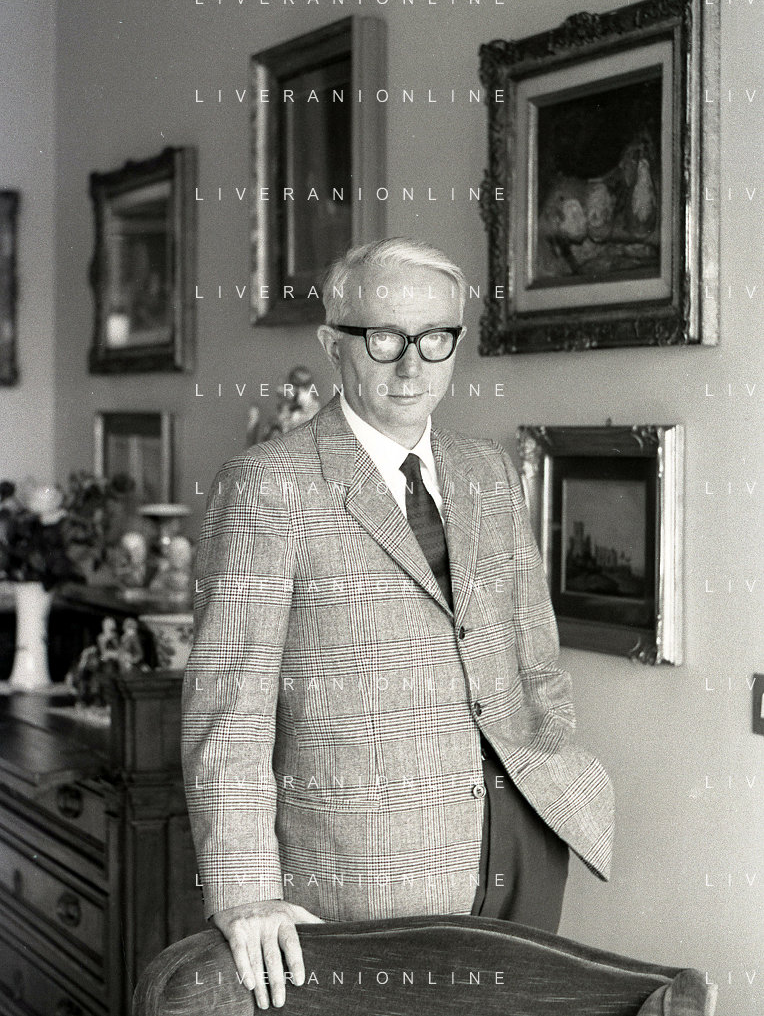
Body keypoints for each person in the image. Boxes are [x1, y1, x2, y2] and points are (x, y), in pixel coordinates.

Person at [182, 238, 614, 1010]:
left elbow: (535, 656)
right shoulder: (266, 485)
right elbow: (229, 709)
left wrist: (548, 754)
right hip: (362, 866)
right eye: (384, 337)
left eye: (435, 337)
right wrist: (245, 890)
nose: (412, 365)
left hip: (522, 838)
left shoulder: (488, 470)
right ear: (333, 344)